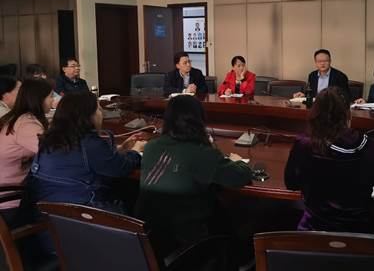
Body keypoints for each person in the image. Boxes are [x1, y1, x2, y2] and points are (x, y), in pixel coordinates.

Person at [135, 95, 251, 253]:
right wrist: (238, 162)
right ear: (199, 120)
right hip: (188, 245)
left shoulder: (151, 147)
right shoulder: (202, 154)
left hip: (148, 243)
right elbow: (240, 177)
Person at [285, 87, 374, 232]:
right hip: (358, 233)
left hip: (314, 231)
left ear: (314, 114)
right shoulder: (370, 145)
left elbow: (291, 183)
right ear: (348, 114)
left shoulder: (304, 144)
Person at [27, 90, 145, 213]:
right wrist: (136, 150)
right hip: (80, 214)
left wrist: (122, 148)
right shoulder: (89, 143)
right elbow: (121, 168)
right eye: (98, 110)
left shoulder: (49, 138)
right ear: (88, 115)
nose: (101, 114)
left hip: (45, 211)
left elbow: (79, 161)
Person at [0, 79, 53, 219]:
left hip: (15, 192)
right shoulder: (26, 124)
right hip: (11, 200)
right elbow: (52, 153)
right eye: (50, 96)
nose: (53, 100)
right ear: (39, 99)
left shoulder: (19, 118)